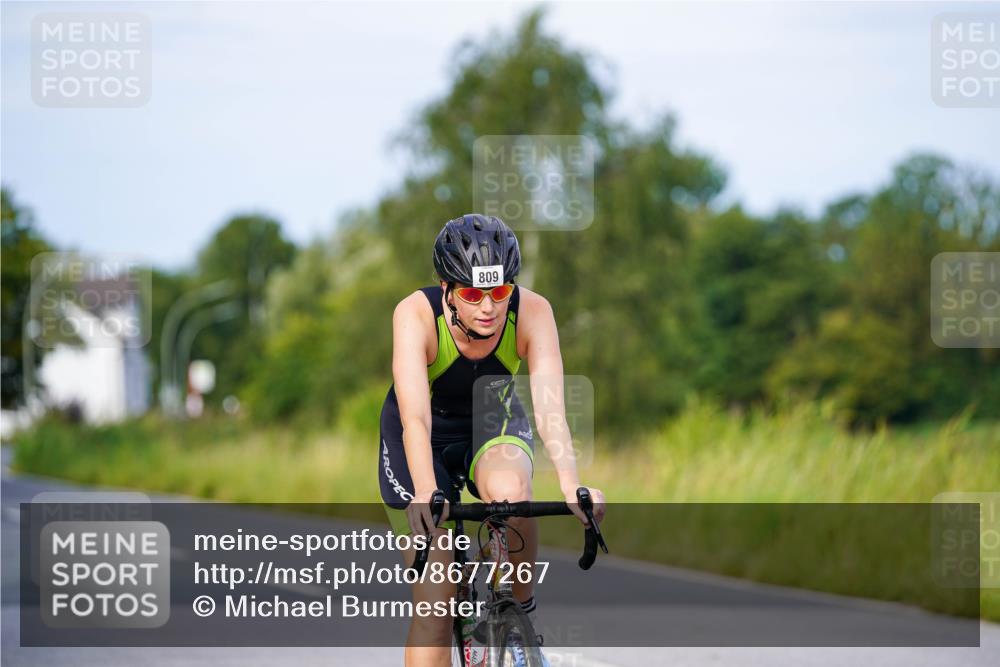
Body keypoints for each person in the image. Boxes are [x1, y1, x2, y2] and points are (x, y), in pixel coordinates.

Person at [377, 213, 605, 667]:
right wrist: (427, 492)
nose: (488, 307)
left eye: (499, 292)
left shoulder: (533, 311)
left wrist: (571, 485)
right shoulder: (415, 315)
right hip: (419, 436)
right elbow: (415, 419)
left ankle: (520, 612)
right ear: (446, 289)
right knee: (436, 604)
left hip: (490, 419)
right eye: (472, 294)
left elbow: (550, 410)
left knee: (513, 494)